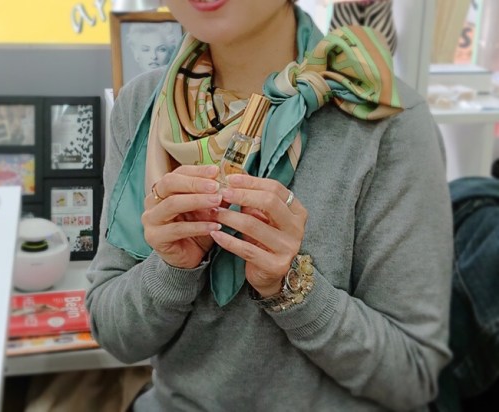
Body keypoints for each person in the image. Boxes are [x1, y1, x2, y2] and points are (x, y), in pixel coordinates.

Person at [86, 0, 454, 410]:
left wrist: (293, 288)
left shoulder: (381, 116)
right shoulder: (144, 105)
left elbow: (412, 374)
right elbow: (116, 335)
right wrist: (171, 270)